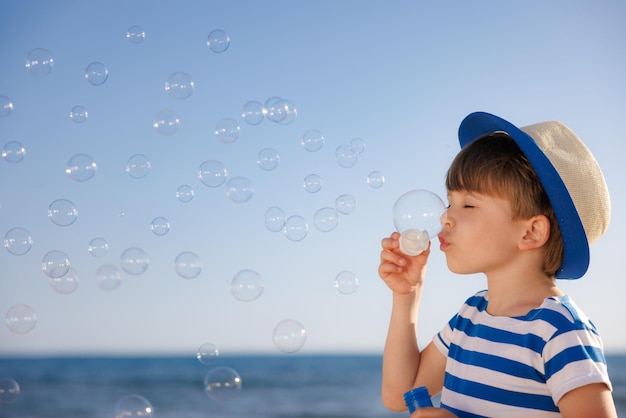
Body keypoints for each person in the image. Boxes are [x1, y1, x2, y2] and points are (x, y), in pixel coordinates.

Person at [378, 111, 616, 417]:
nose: (445, 216)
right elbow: (401, 394)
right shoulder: (471, 315)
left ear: (530, 232)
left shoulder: (560, 331)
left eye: (468, 204)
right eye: (450, 201)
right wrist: (406, 295)